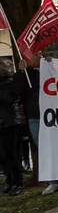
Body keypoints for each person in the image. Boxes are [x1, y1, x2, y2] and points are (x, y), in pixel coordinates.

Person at [15, 52, 58, 195]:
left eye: (39, 54)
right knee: (46, 150)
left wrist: (54, 65)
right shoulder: (26, 74)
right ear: (27, 58)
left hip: (56, 115)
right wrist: (21, 72)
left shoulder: (53, 69)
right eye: (33, 55)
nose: (37, 57)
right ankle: (54, 182)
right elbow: (16, 92)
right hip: (36, 117)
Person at [0, 59, 23, 196]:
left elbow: (8, 100)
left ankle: (18, 183)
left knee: (12, 155)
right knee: (3, 156)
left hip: (11, 123)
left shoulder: (11, 83)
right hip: (3, 123)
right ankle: (9, 180)